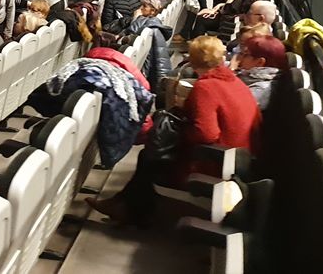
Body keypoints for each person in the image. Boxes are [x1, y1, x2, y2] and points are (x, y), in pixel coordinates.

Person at [87, 35, 262, 223]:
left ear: (192, 60)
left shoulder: (206, 87)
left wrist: (181, 131)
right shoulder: (234, 81)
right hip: (237, 157)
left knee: (152, 156)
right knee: (152, 155)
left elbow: (206, 134)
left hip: (216, 160)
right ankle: (127, 208)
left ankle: (131, 212)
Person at [235, 35, 288, 110]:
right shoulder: (248, 75)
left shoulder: (261, 89)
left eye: (246, 55)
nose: (240, 58)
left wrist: (229, 72)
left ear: (260, 62)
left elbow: (231, 108)